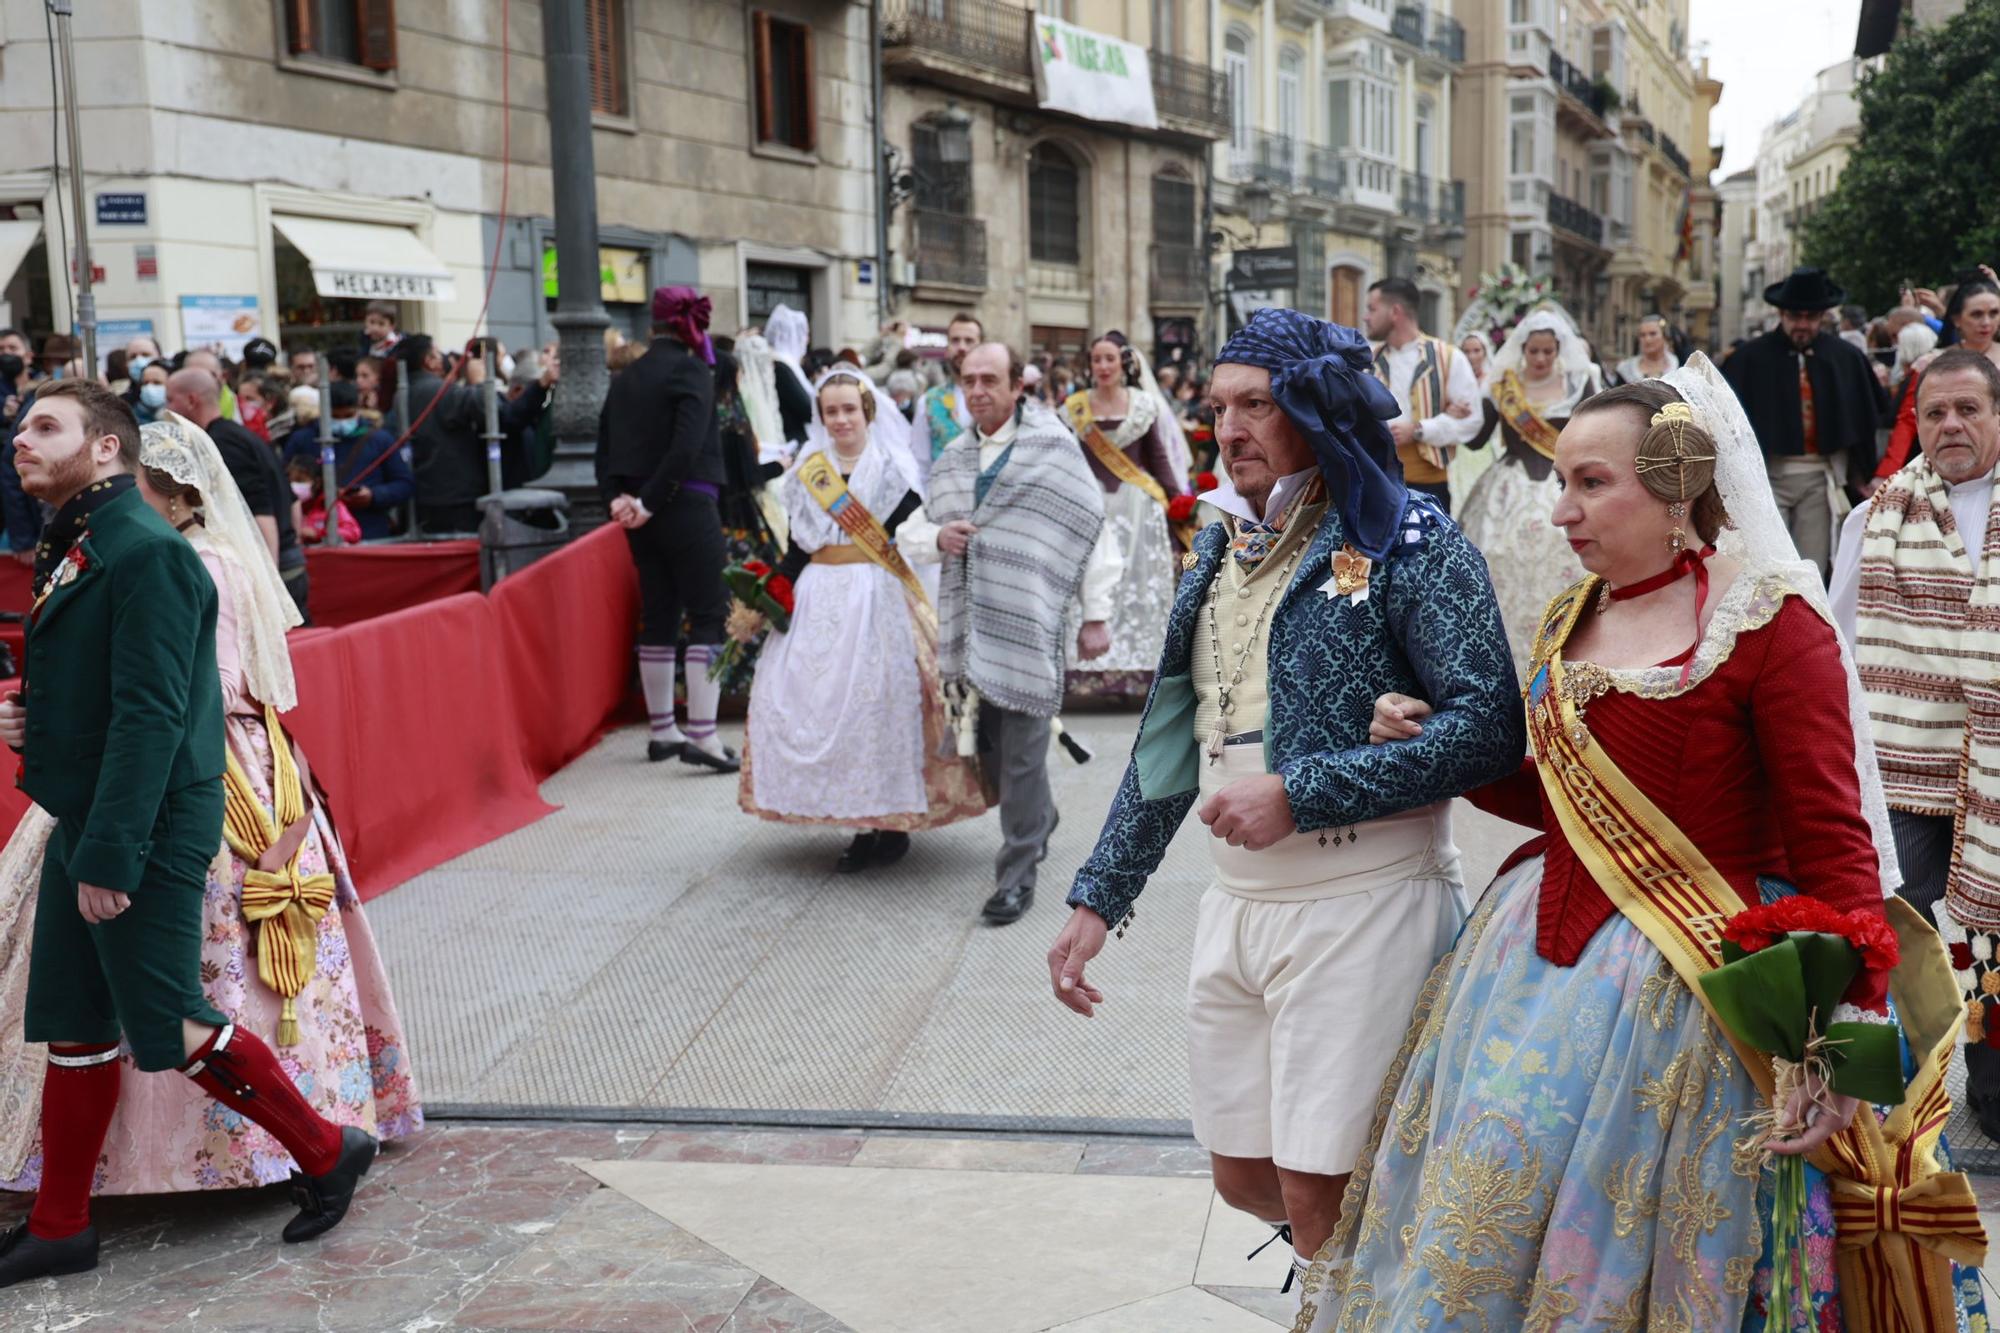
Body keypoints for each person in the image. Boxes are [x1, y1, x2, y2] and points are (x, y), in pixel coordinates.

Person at [1301, 359, 1984, 1331]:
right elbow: (1554, 796)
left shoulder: (1767, 622)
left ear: (1673, 489)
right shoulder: (1569, 616)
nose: (1559, 512)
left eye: (1590, 483)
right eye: (1559, 482)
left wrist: (1839, 1039)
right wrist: (1437, 748)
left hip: (1687, 999)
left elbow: (1833, 838)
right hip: (1526, 966)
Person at [1048, 308, 1523, 1307]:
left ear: (1315, 408)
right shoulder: (1220, 546)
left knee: (1319, 1188)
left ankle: (1349, 1307)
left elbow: (1489, 731)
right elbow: (1167, 744)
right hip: (1236, 903)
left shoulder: (1408, 535)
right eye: (1216, 406)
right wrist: (1098, 897)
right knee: (1241, 1174)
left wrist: (1301, 791)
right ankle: (1374, 1291)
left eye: (1255, 404)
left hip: (1364, 898)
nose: (1227, 428)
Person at [0, 382, 378, 1287]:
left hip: (147, 822)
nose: (20, 437)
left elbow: (156, 716)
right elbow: (105, 685)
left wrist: (114, 854)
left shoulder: (150, 552)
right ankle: (61, 1226)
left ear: (104, 450)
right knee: (75, 1023)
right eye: (20, 424)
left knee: (173, 1021)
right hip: (87, 807)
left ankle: (330, 1150)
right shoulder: (90, 542)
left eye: (45, 426)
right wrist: (33, 724)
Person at [1830, 348, 2000, 1142]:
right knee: (1889, 922)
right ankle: (1881, 1097)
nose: (1951, 426)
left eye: (1968, 409)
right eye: (1934, 413)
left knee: (1993, 944)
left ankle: (1992, 1093)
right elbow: (1836, 641)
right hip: (1905, 764)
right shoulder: (1877, 517)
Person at [736, 367, 986, 869]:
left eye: (850, 409)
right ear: (821, 417)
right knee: (815, 705)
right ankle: (854, 816)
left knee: (877, 709)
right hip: (818, 601)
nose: (842, 419)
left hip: (877, 600)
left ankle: (886, 823)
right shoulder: (809, 474)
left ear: (867, 411)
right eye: (832, 411)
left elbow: (915, 534)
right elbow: (797, 551)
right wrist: (770, 599)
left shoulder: (891, 472)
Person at [928, 342, 1111, 925]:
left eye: (990, 379)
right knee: (990, 750)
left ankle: (1016, 874)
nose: (978, 389)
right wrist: (936, 539)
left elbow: (1090, 526)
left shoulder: (1053, 449)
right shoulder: (954, 456)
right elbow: (921, 523)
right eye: (968, 379)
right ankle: (1040, 820)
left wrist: (1096, 613)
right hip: (971, 624)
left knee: (1023, 756)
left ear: (1016, 388)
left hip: (1030, 625)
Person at [597, 286, 738, 772]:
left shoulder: (627, 376)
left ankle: (663, 730)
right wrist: (650, 502)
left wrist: (621, 499)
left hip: (640, 510)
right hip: (685, 503)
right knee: (708, 612)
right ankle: (702, 735)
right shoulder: (692, 370)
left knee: (659, 611)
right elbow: (686, 445)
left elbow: (604, 446)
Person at [1456, 307, 1601, 679]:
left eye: (1547, 352)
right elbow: (1476, 440)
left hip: (1559, 485)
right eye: (1533, 351)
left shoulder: (1579, 383)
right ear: (1523, 349)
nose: (1539, 359)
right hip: (1507, 490)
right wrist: (1461, 410)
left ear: (1557, 350)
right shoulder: (1504, 386)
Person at [1721, 266, 1889, 578]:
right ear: (1781, 314)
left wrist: (1862, 471)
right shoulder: (1749, 359)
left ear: (1822, 316)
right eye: (1794, 316)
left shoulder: (1845, 357)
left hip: (1817, 475)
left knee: (1809, 567)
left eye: (1810, 317)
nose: (1802, 325)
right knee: (1765, 568)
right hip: (1765, 478)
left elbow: (1866, 416)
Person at [1060, 331, 1192, 702]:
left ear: (1123, 364)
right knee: (1093, 587)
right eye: (1096, 360)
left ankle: (1139, 672)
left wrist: (1178, 505)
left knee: (1136, 589)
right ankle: (1087, 670)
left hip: (1138, 513)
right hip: (1091, 510)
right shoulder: (1074, 408)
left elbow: (1158, 458)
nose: (1102, 366)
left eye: (1109, 359)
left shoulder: (1142, 406)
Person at [165, 367, 309, 620]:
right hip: (287, 562)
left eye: (170, 399)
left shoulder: (222, 446)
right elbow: (293, 503)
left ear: (191, 400)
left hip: (274, 570)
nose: (166, 408)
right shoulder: (242, 437)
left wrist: (268, 590)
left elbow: (260, 513)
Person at [1363, 277, 1482, 513]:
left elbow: (1472, 420)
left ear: (1395, 311)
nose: (1366, 317)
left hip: (1429, 485)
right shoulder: (1367, 361)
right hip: (1376, 481)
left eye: (1372, 309)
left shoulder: (1448, 357)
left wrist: (1419, 429)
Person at [1876, 277, 2000, 480]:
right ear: (1957, 319)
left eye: (1994, 313)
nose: (1986, 322)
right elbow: (1908, 420)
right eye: (1977, 314)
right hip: (1949, 467)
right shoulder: (1931, 362)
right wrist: (1887, 473)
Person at [281, 381, 414, 542]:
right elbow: (282, 482)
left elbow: (404, 484)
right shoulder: (302, 440)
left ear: (358, 411)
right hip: (313, 533)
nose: (342, 422)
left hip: (370, 533)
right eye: (335, 416)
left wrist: (373, 496)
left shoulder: (380, 440)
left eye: (348, 415)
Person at [909, 314, 984, 482]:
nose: (962, 347)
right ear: (947, 347)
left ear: (981, 346)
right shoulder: (928, 402)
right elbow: (920, 467)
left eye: (969, 341)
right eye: (955, 340)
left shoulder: (998, 400)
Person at [764, 305, 815, 449]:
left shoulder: (784, 364)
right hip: (791, 439)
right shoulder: (781, 367)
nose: (806, 340)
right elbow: (807, 409)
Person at [1613, 312, 1681, 384]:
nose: (1647, 339)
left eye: (1653, 334)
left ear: (1664, 337)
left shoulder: (1678, 367)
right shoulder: (1626, 370)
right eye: (1642, 335)